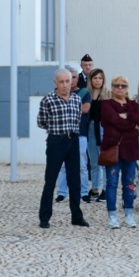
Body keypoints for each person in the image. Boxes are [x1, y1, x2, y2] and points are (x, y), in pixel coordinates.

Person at [37, 68, 89, 229]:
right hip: (56, 142)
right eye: (62, 81)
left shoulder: (76, 99)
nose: (66, 84)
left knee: (75, 181)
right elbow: (41, 122)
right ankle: (44, 217)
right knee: (50, 180)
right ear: (55, 83)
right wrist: (56, 130)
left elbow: (78, 119)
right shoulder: (48, 100)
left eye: (68, 81)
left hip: (73, 141)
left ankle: (76, 216)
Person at [100, 75, 139, 229]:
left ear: (127, 88)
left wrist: (127, 117)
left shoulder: (133, 105)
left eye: (123, 85)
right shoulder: (106, 104)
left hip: (131, 149)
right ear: (112, 87)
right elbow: (115, 121)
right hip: (114, 148)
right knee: (112, 183)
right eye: (116, 85)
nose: (120, 88)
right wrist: (132, 124)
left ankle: (128, 214)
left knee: (129, 183)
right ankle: (112, 215)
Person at [55, 64, 91, 204]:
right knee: (62, 165)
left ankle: (83, 192)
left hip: (80, 133)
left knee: (82, 164)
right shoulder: (56, 93)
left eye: (73, 77)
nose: (71, 80)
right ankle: (62, 193)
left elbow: (86, 109)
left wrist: (65, 109)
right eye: (68, 77)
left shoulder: (84, 92)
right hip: (61, 134)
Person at [86, 68, 110, 202]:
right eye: (95, 78)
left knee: (105, 160)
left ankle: (106, 189)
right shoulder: (87, 94)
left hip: (103, 128)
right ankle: (95, 188)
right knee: (94, 160)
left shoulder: (107, 94)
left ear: (103, 80)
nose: (97, 80)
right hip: (90, 128)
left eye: (100, 78)